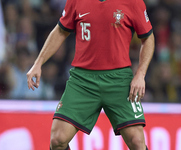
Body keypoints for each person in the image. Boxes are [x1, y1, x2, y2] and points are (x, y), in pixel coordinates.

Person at [27, 0, 155, 149]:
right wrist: (38, 63)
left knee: (137, 142)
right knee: (57, 140)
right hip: (83, 80)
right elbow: (61, 30)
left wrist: (140, 74)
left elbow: (148, 38)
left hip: (119, 80)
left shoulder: (132, 1)